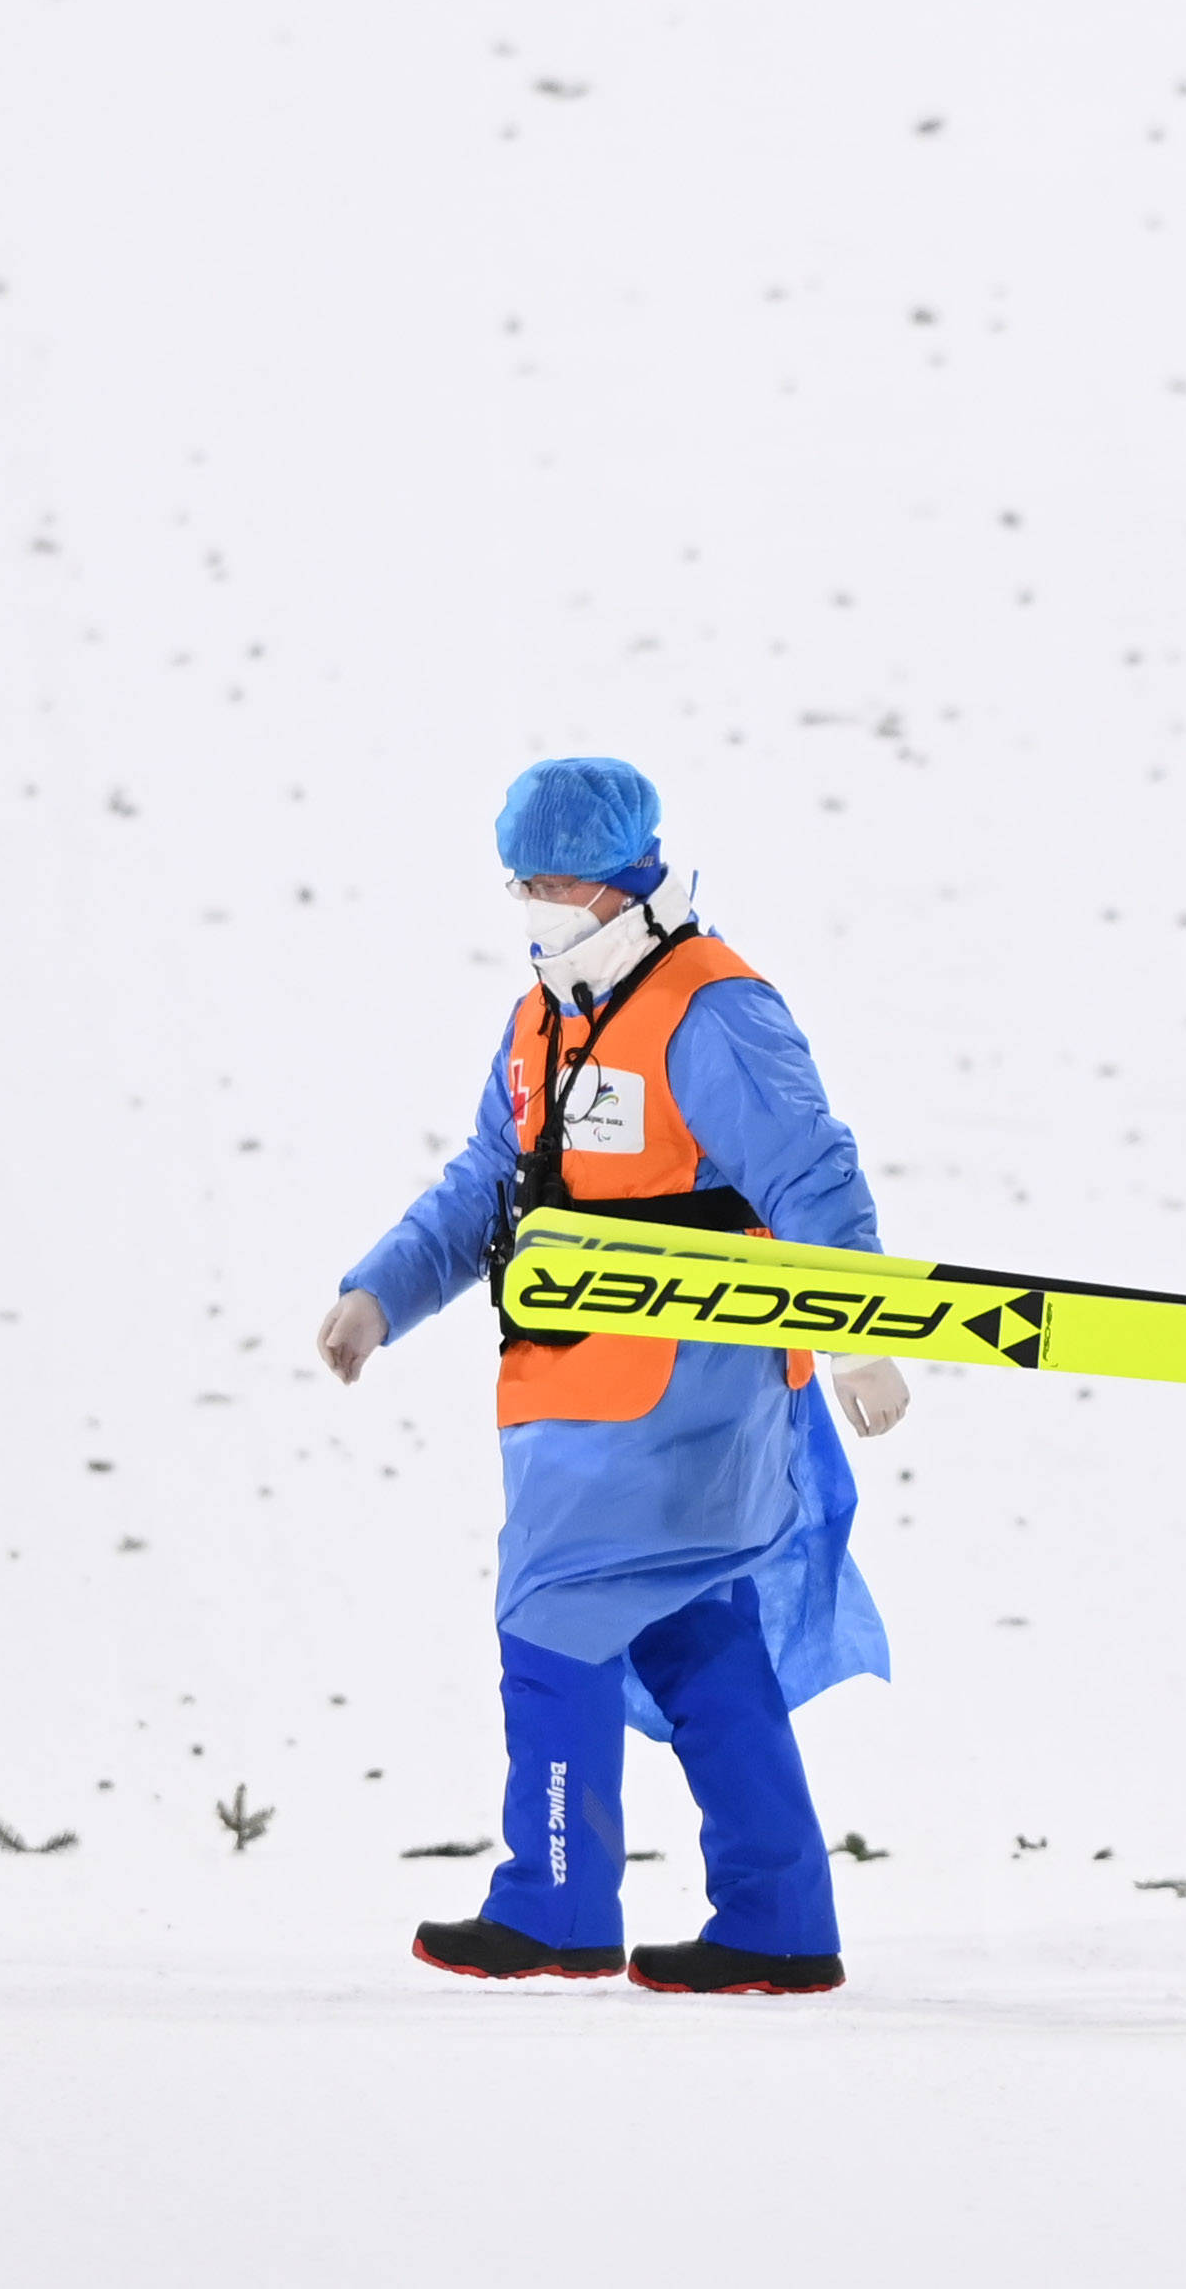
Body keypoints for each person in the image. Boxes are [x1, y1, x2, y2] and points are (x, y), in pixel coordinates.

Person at [320, 756, 913, 1996]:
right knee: (699, 1635)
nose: (532, 902)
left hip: (676, 1395)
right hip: (572, 1396)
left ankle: (552, 1903)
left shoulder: (710, 1008)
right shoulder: (544, 1018)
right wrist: (381, 1292)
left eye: (552, 880)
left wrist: (862, 1337)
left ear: (623, 876)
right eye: (519, 881)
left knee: (550, 1623)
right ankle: (779, 1922)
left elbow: (812, 1174)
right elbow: (490, 1181)